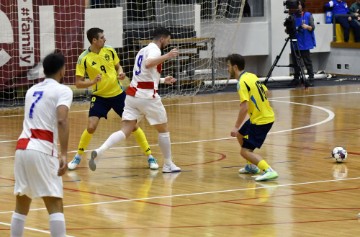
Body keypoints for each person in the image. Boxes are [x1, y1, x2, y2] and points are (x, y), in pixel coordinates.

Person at [90, 27, 181, 173]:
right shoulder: (155, 51)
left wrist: (163, 80)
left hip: (132, 96)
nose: (168, 43)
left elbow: (144, 74)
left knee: (126, 129)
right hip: (146, 97)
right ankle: (168, 164)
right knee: (163, 130)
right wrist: (168, 56)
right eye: (168, 40)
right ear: (162, 39)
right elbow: (149, 63)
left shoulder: (142, 50)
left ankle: (100, 151)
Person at [67, 27, 158, 171]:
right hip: (99, 96)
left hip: (117, 94)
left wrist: (121, 73)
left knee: (133, 126)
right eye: (102, 37)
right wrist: (92, 82)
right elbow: (78, 83)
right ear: (94, 40)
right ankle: (77, 157)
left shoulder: (109, 50)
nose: (105, 39)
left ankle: (150, 156)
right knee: (91, 127)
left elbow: (118, 66)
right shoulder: (83, 58)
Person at [11, 53, 72, 236]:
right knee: (55, 203)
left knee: (22, 203)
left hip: (22, 148)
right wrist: (64, 154)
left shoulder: (32, 90)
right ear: (62, 70)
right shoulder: (63, 90)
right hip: (42, 149)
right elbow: (62, 120)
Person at [226, 54, 278, 181]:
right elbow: (266, 91)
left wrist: (236, 126)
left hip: (261, 120)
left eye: (228, 66)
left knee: (245, 151)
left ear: (235, 67)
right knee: (240, 135)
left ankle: (268, 170)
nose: (227, 69)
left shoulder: (242, 83)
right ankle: (251, 166)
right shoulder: (251, 76)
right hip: (260, 116)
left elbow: (244, 107)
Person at [289, 0, 316, 87]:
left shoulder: (308, 15)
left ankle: (311, 77)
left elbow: (312, 27)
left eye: (299, 4)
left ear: (302, 5)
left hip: (304, 42)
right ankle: (296, 78)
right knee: (295, 62)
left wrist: (307, 26)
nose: (298, 6)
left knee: (307, 61)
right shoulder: (292, 16)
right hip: (295, 42)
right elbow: (288, 30)